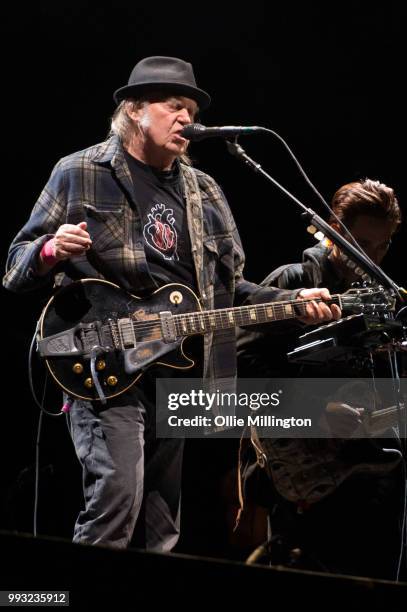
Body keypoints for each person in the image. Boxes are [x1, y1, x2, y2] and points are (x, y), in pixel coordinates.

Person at [3, 56, 340, 552]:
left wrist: (293, 301)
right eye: (174, 106)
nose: (188, 119)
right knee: (116, 500)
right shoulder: (80, 171)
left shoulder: (205, 192)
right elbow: (15, 267)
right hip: (104, 364)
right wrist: (51, 250)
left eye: (192, 109)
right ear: (135, 109)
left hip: (181, 372)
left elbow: (228, 292)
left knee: (163, 525)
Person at [237, 178, 406, 579]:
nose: (373, 257)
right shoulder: (293, 282)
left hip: (358, 465)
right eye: (362, 245)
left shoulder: (374, 295)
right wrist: (319, 409)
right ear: (333, 231)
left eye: (382, 246)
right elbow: (241, 367)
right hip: (299, 467)